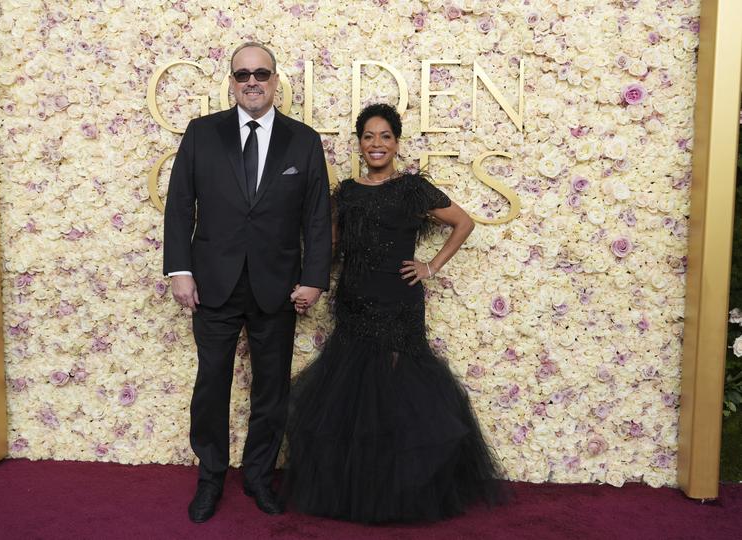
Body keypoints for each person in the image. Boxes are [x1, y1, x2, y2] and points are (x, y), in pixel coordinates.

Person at [283, 103, 506, 523]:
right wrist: (305, 282)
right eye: (369, 136)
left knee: (396, 394)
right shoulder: (345, 194)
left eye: (385, 136)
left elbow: (463, 222)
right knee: (353, 397)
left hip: (398, 303)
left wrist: (431, 266)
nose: (377, 144)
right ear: (359, 144)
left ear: (397, 143)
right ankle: (360, 487)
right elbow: (330, 249)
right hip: (353, 301)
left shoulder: (412, 190)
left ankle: (397, 490)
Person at [163, 42, 332, 523]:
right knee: (210, 385)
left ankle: (259, 477)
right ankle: (211, 477)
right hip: (212, 284)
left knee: (271, 389)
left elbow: (316, 217)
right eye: (242, 74)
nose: (252, 81)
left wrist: (314, 278)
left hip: (277, 287)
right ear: (232, 82)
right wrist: (180, 270)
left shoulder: (303, 140)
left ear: (276, 80)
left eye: (261, 73)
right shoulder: (202, 134)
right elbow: (180, 206)